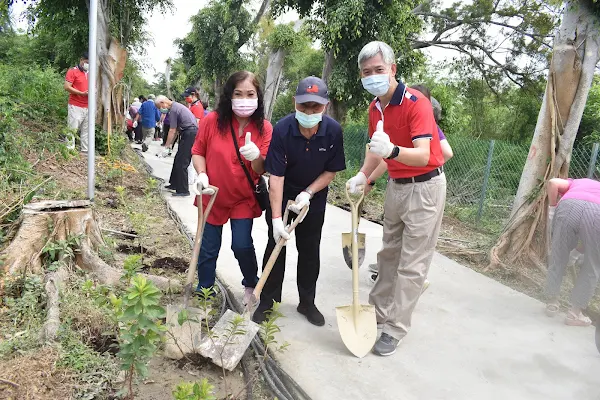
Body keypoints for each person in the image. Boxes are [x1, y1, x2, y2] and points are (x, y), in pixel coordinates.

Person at [346, 41, 446, 356]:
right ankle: (377, 312)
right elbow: (376, 151)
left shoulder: (417, 103)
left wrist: (393, 152)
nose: (372, 76)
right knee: (389, 255)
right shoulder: (374, 108)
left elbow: (423, 155)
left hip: (425, 188)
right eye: (366, 72)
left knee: (413, 263)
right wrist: (363, 175)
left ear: (393, 69)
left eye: (378, 70)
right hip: (397, 186)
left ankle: (395, 328)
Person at [252, 77, 346, 326]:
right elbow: (277, 177)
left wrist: (309, 193)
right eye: (304, 106)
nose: (309, 112)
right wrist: (275, 219)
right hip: (283, 195)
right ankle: (267, 302)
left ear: (325, 106)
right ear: (295, 102)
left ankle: (307, 302)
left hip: (312, 200)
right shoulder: (283, 129)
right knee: (275, 248)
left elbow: (331, 171)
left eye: (316, 107)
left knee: (309, 251)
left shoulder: (333, 131)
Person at [191, 71, 273, 303]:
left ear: (258, 97)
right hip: (212, 195)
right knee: (208, 247)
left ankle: (250, 282)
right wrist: (202, 174)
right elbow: (198, 151)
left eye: (250, 94)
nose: (244, 99)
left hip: (242, 198)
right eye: (238, 93)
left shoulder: (264, 128)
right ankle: (204, 288)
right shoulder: (212, 121)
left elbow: (261, 169)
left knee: (242, 244)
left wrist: (257, 156)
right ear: (229, 95)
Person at [365, 84, 454, 285]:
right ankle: (391, 283)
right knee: (394, 245)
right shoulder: (386, 114)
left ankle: (411, 285)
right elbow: (385, 159)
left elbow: (445, 152)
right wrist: (367, 177)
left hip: (423, 186)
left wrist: (423, 167)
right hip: (399, 185)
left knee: (412, 252)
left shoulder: (427, 125)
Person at [544, 178, 600, 327]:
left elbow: (552, 183)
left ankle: (552, 303)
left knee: (558, 256)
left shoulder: (575, 183)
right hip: (598, 213)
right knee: (593, 265)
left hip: (568, 207)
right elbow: (590, 235)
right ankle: (574, 314)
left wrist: (552, 208)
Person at [155, 95, 198, 197]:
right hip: (187, 132)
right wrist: (170, 145)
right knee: (178, 159)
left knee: (182, 162)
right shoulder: (176, 107)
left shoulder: (174, 109)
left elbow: (172, 130)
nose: (161, 110)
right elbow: (176, 131)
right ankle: (174, 183)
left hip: (190, 133)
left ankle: (183, 190)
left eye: (159, 107)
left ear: (163, 103)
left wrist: (166, 146)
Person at [64, 51, 89, 152]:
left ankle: (85, 150)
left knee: (87, 130)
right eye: (86, 62)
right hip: (75, 105)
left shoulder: (91, 73)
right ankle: (69, 150)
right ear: (81, 60)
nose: (88, 65)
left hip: (88, 106)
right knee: (72, 129)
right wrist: (81, 93)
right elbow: (66, 87)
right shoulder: (73, 71)